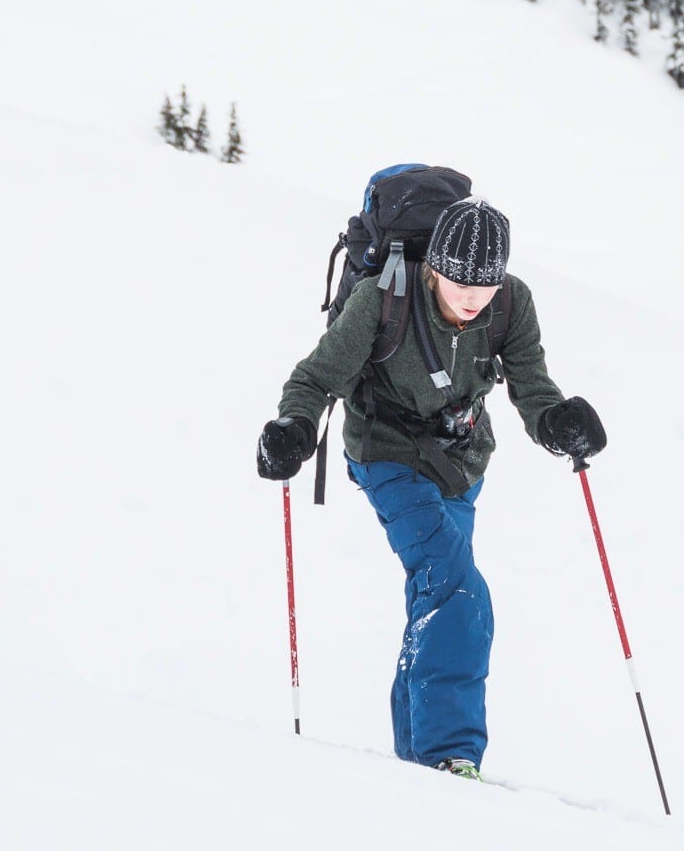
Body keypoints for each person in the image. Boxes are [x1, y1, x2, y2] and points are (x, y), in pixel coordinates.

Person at [254, 198, 606, 780]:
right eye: (460, 281)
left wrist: (556, 423)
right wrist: (294, 427)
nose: (473, 296)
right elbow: (316, 377)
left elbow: (532, 384)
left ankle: (415, 765)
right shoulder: (383, 299)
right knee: (455, 586)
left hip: (461, 462)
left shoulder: (511, 304)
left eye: (485, 283)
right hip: (386, 453)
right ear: (433, 266)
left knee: (433, 597)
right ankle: (450, 752)